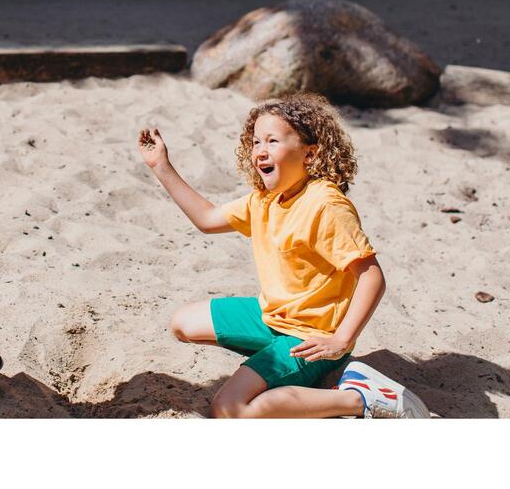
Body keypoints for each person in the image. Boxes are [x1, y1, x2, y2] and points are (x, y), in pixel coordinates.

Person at [138, 92, 430, 418]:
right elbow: (207, 220)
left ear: (310, 152)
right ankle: (274, 363)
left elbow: (371, 275)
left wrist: (341, 339)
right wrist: (161, 166)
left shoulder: (325, 204)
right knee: (183, 324)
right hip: (272, 317)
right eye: (255, 142)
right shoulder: (264, 199)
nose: (260, 150)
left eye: (273, 141)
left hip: (311, 337)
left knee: (231, 407)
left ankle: (358, 397)